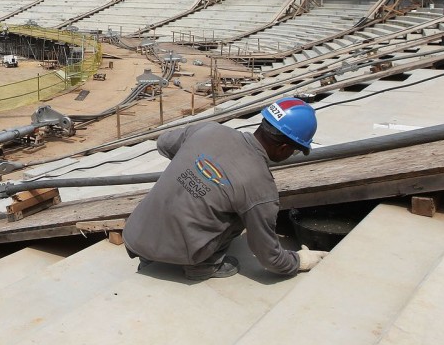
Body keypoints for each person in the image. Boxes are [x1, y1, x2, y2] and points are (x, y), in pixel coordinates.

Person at [123, 98, 328, 281]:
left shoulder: (210, 129)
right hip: (184, 252)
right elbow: (270, 257)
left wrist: (194, 166)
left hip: (135, 234)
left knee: (195, 190)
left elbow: (164, 142)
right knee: (240, 211)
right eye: (294, 151)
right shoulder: (261, 188)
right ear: (284, 148)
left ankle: (151, 254)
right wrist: (298, 261)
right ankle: (203, 266)